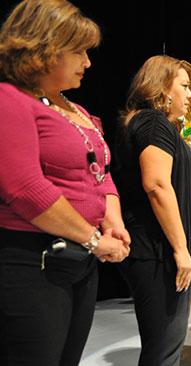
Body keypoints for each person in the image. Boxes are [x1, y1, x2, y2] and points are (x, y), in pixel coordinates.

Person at [0, 0, 131, 364]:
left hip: (79, 258)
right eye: (79, 52)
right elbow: (25, 189)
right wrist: (93, 238)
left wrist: (114, 225)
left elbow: (100, 175)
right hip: (33, 260)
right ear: (44, 48)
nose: (87, 63)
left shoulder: (76, 110)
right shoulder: (8, 100)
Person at [113, 55, 191, 366]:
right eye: (184, 86)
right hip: (158, 250)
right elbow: (156, 185)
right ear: (163, 87)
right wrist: (181, 250)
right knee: (164, 348)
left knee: (164, 345)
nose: (190, 95)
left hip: (153, 248)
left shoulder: (144, 122)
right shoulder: (153, 122)